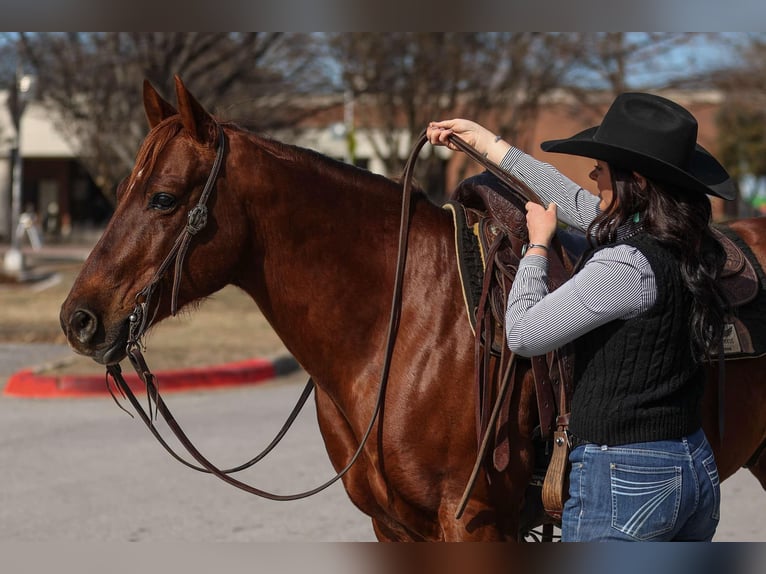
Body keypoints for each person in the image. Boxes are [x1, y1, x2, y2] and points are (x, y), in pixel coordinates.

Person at [427, 92, 734, 542]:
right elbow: (563, 194)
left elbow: (526, 332)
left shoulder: (627, 264)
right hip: (693, 462)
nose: (592, 174)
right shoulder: (689, 243)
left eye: (603, 170)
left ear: (639, 183)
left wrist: (537, 246)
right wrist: (484, 143)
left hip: (627, 475)